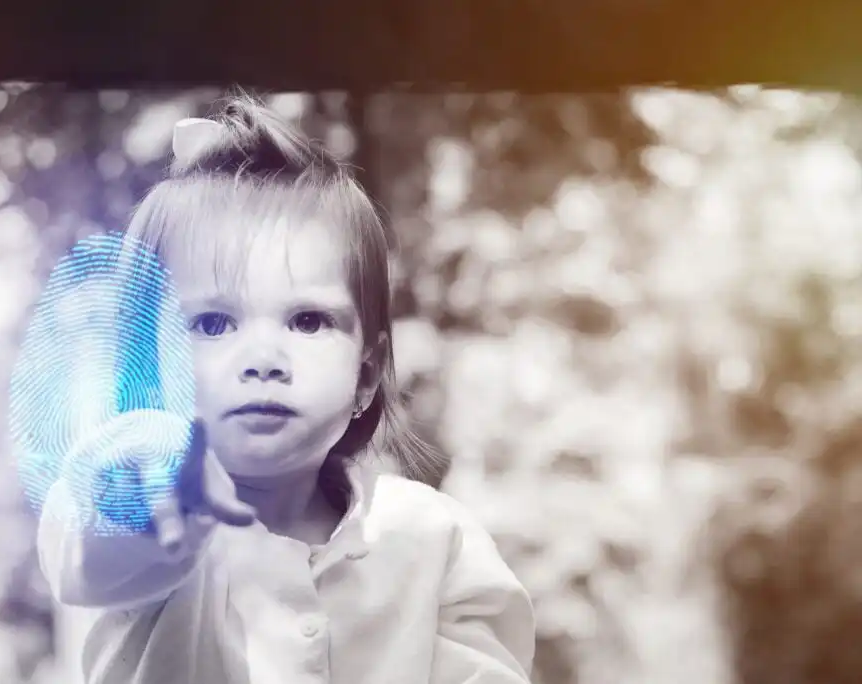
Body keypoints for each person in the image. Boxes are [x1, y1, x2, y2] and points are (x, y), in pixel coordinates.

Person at [36, 91, 535, 684]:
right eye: (212, 324)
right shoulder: (136, 521)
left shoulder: (434, 541)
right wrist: (141, 483)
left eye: (307, 321)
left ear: (366, 375)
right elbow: (92, 546)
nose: (265, 359)